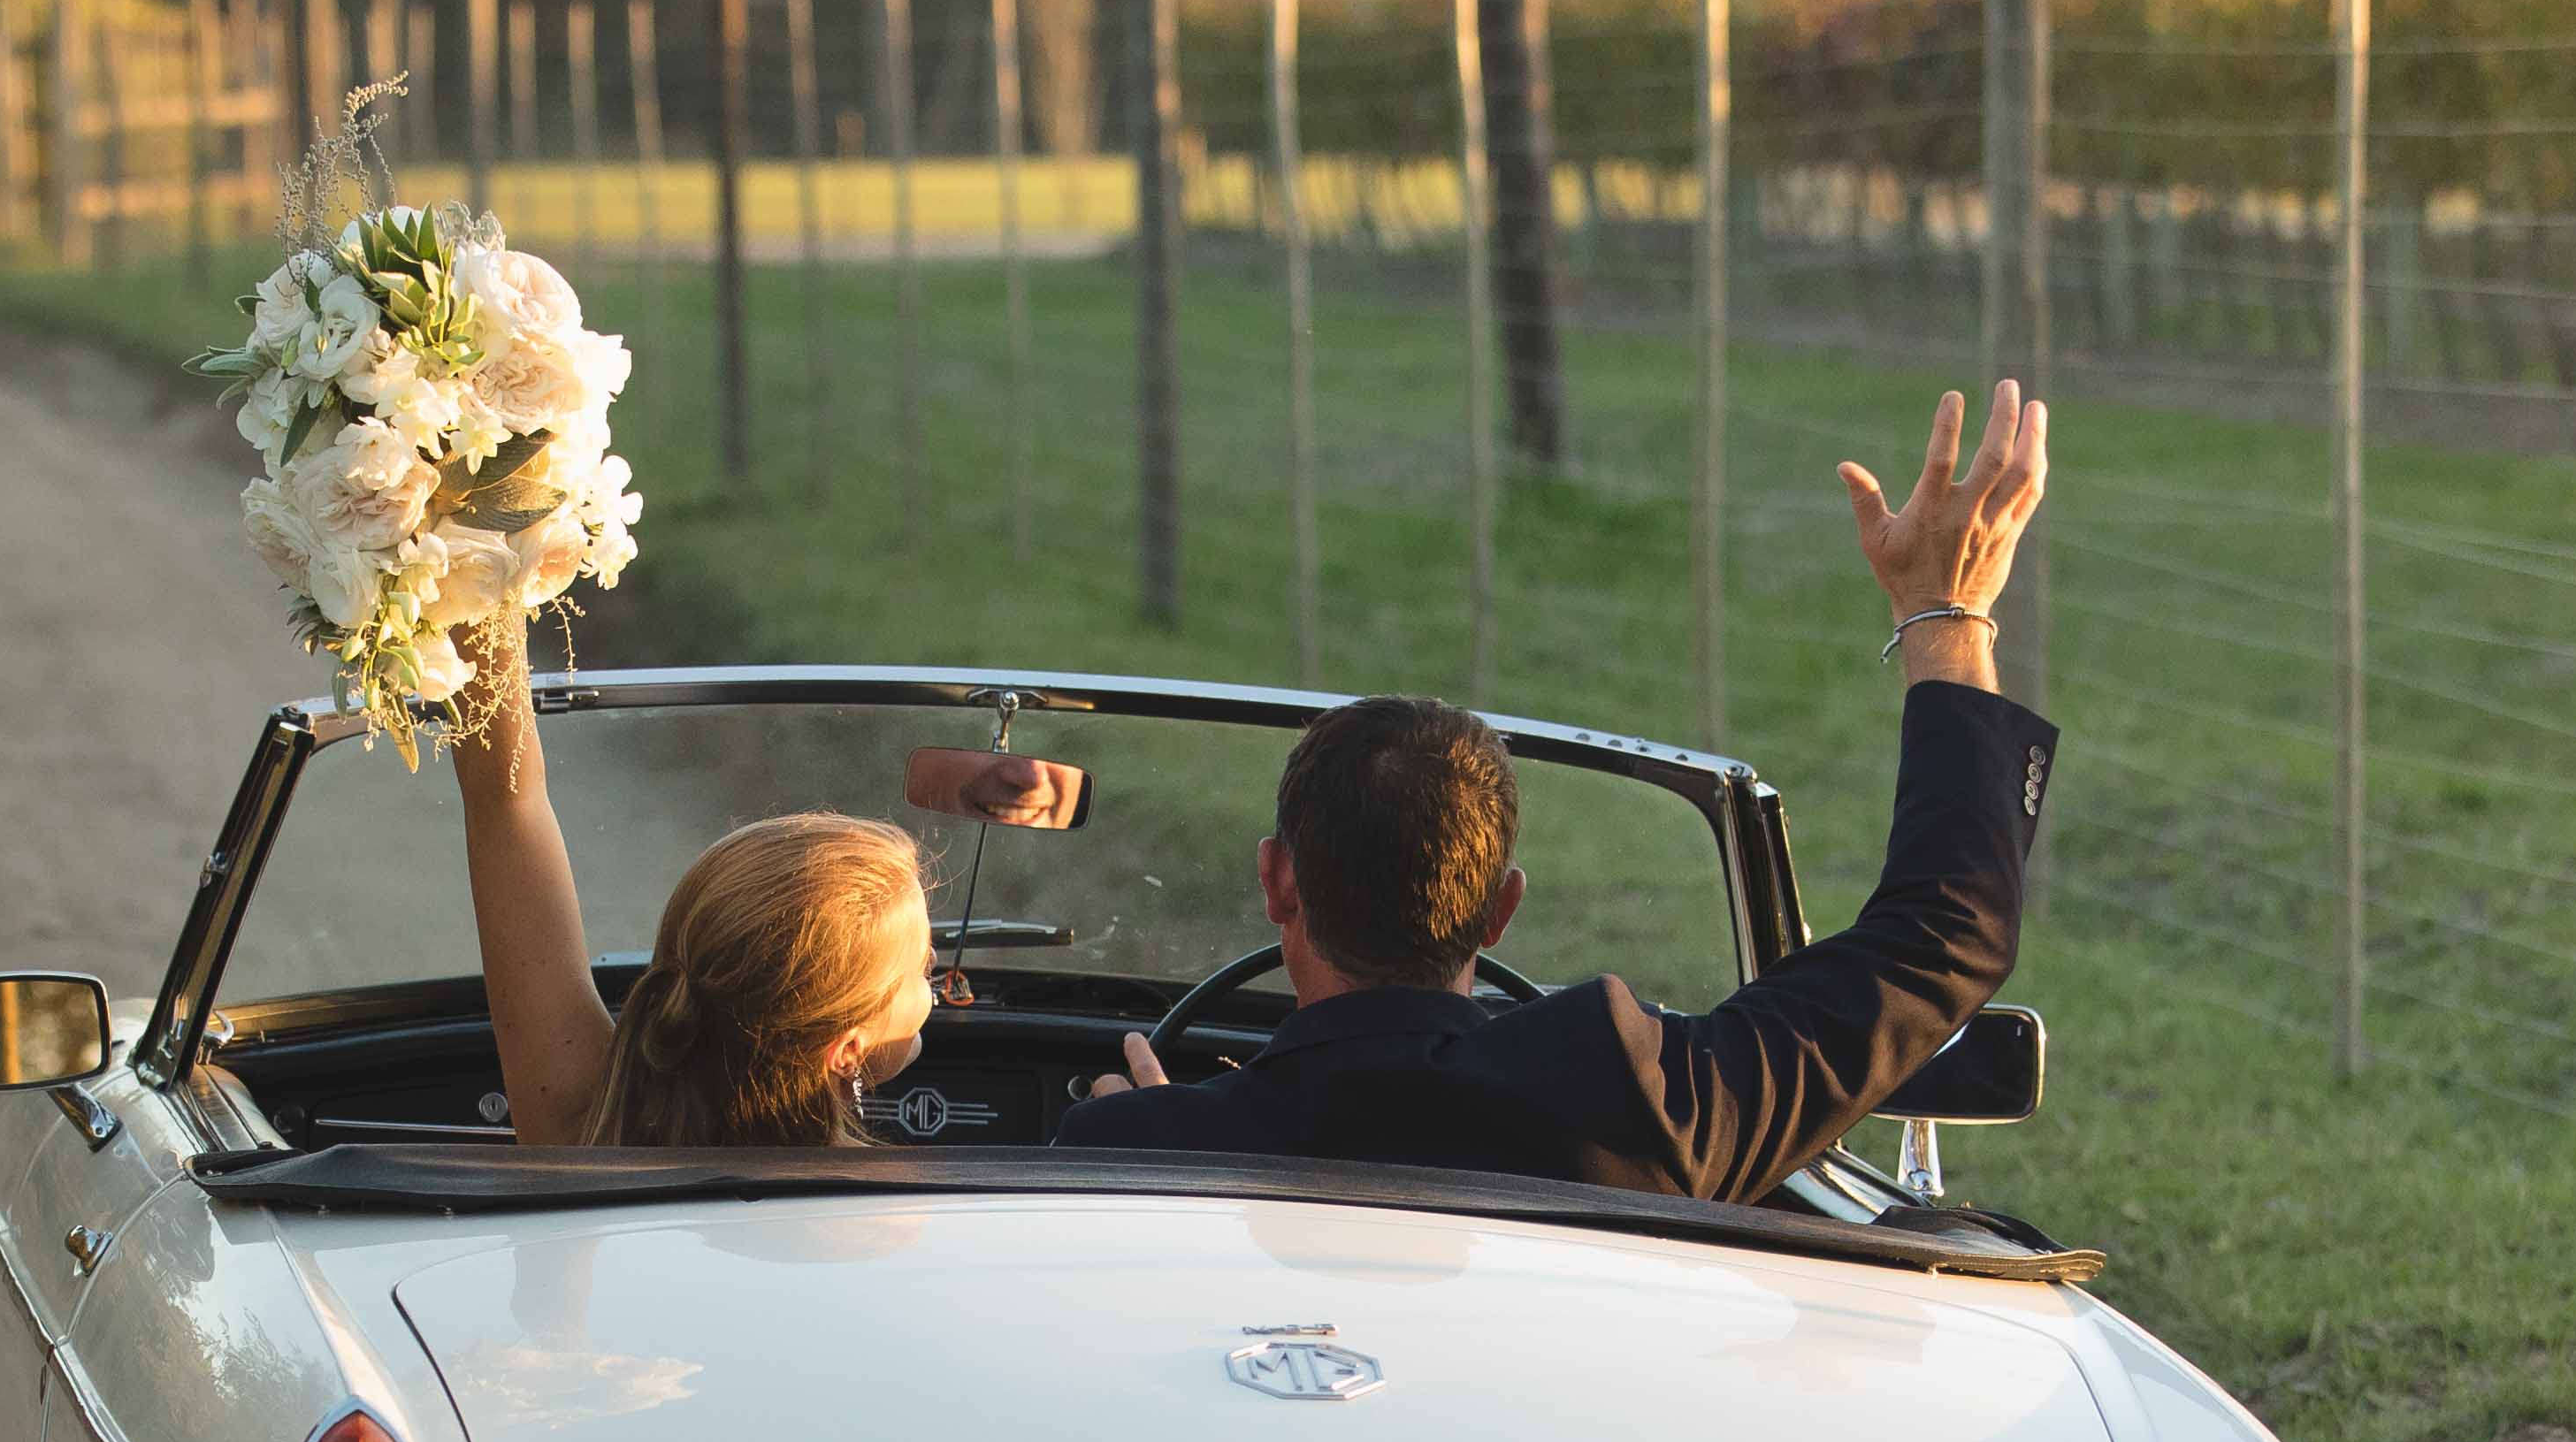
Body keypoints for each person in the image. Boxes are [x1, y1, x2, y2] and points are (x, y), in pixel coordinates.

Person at [1058, 381, 2055, 1201]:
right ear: (1501, 908)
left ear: (1278, 881)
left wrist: (1147, 1138)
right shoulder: (1628, 1095)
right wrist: (1947, 611)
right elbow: (1946, 935)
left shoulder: (1132, 1153)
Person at [441, 604, 935, 1145]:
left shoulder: (577, 1127)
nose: (935, 972)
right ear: (847, 1052)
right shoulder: (916, 1199)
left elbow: (507, 798)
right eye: (919, 967)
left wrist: (478, 576)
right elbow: (505, 799)